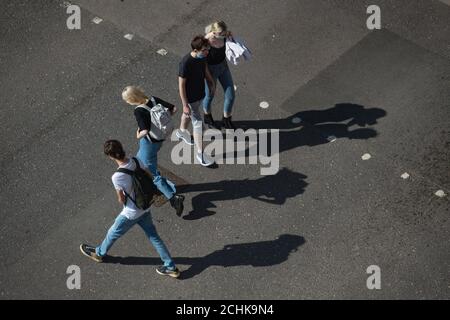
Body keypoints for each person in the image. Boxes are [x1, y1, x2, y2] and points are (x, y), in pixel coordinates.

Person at [80, 140, 180, 278]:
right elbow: (150, 177)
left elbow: (121, 199)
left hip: (131, 213)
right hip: (145, 207)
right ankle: (170, 267)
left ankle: (98, 254)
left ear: (110, 156)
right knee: (155, 238)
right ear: (122, 149)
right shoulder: (136, 160)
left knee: (112, 232)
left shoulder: (117, 176)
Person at [122, 86, 184, 216]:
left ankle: (173, 197)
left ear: (132, 99)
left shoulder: (139, 111)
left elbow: (144, 131)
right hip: (160, 138)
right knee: (139, 161)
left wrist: (137, 134)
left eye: (127, 100)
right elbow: (174, 109)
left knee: (152, 172)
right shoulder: (153, 99)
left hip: (148, 143)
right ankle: (146, 186)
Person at [176, 35, 216, 167]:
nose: (207, 52)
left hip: (200, 93)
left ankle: (181, 132)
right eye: (204, 49)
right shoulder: (185, 62)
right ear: (196, 50)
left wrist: (211, 83)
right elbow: (181, 85)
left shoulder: (202, 57)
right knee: (198, 124)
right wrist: (185, 104)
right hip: (191, 98)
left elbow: (204, 70)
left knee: (187, 114)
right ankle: (201, 154)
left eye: (207, 49)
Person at [203, 21, 236, 129]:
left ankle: (226, 119)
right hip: (210, 71)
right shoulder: (206, 43)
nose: (223, 36)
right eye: (220, 34)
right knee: (209, 96)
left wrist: (230, 35)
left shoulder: (224, 35)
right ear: (213, 33)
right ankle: (207, 117)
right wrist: (208, 77)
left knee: (230, 96)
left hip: (223, 67)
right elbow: (200, 59)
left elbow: (230, 36)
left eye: (224, 33)